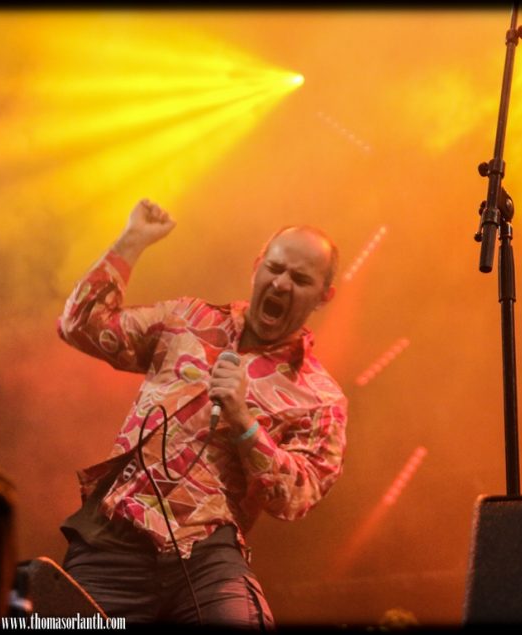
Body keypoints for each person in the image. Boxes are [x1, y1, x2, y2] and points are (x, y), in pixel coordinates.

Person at [56, 198, 348, 628]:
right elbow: (79, 324)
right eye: (275, 268)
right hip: (114, 540)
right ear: (257, 267)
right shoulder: (188, 320)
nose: (282, 284)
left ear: (324, 296)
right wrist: (132, 241)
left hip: (208, 553)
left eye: (300, 279)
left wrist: (244, 422)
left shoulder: (320, 397)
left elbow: (297, 497)